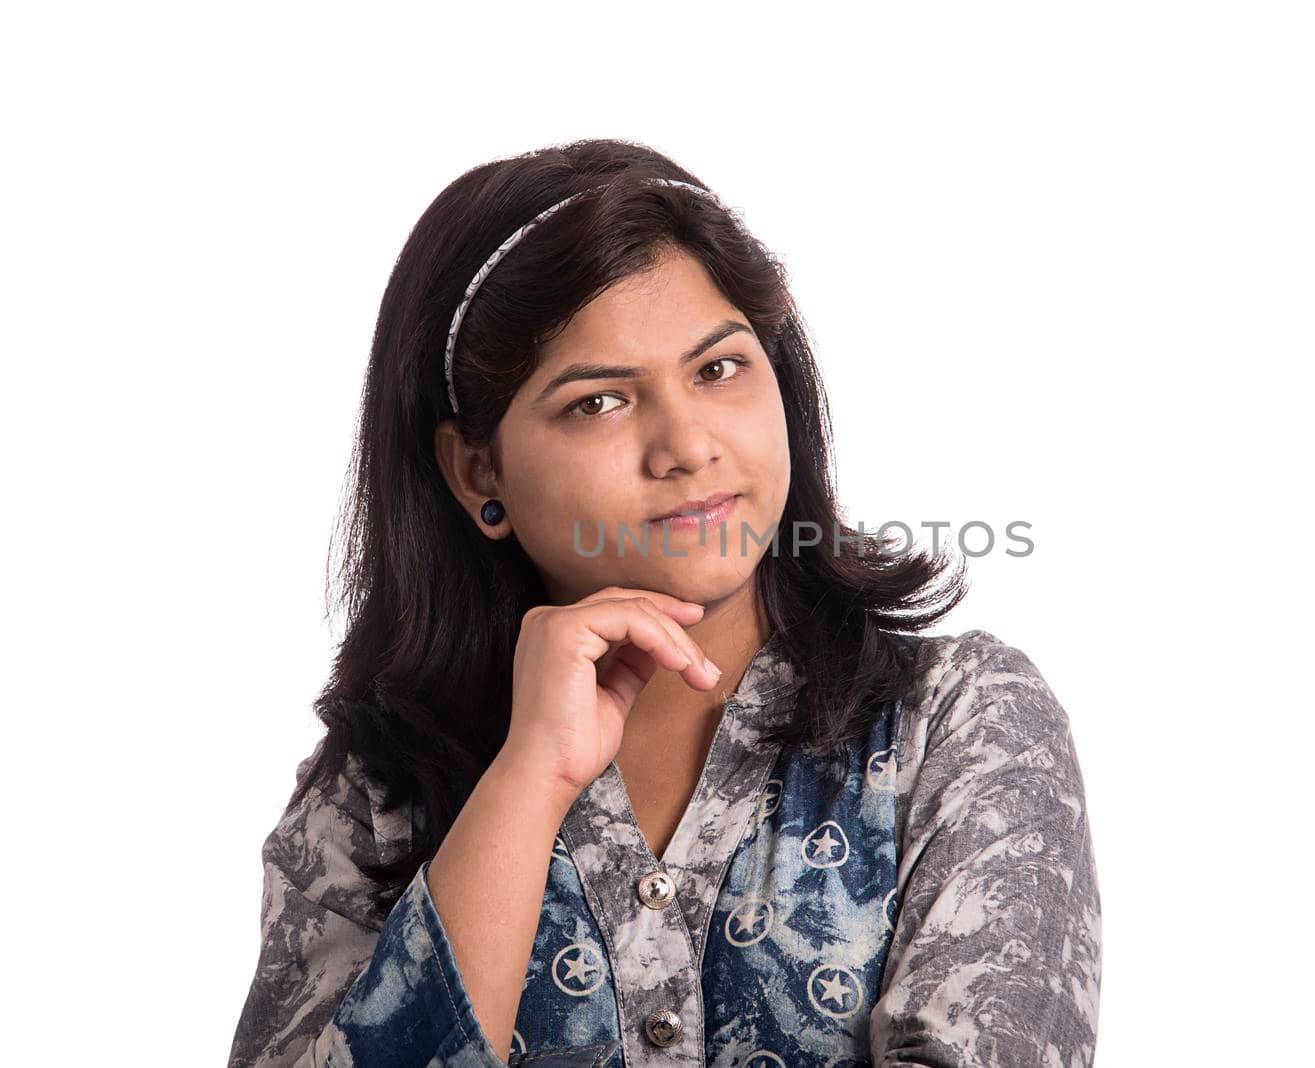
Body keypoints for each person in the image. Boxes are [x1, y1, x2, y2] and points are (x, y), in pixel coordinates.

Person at [227, 139, 1102, 1068]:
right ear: (477, 470)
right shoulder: (370, 801)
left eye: (719, 369)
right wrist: (527, 783)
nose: (686, 443)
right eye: (598, 402)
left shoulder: (959, 722)